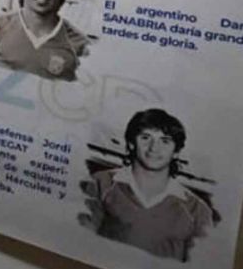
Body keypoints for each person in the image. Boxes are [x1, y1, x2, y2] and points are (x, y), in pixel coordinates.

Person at [83, 109, 214, 261]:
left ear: (176, 152)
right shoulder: (101, 183)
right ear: (131, 143)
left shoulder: (198, 211)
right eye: (146, 137)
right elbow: (82, 243)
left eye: (165, 141)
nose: (154, 148)